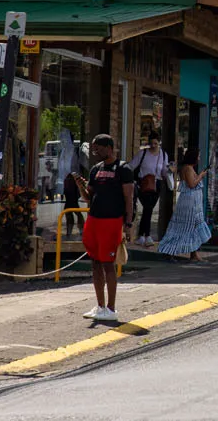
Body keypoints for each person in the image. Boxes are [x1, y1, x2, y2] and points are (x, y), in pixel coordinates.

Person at [78, 134, 135, 324]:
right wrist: (80, 185)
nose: (96, 152)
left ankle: (111, 308)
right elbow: (88, 197)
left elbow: (129, 199)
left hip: (112, 221)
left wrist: (128, 224)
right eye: (94, 149)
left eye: (99, 149)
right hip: (94, 219)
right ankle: (100, 306)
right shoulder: (95, 169)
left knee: (108, 264)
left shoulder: (123, 169)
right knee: (95, 262)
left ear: (109, 147)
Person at [155, 147, 212, 262]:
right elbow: (192, 184)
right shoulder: (188, 169)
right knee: (184, 227)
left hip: (194, 203)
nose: (199, 158)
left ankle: (194, 254)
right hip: (190, 204)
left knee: (193, 227)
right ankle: (169, 252)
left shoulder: (188, 168)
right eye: (198, 156)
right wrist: (201, 175)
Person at [127, 131, 172, 244]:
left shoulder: (163, 154)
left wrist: (170, 170)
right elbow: (131, 166)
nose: (153, 146)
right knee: (148, 207)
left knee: (149, 209)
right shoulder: (143, 153)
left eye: (155, 143)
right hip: (143, 183)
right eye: (151, 143)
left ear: (159, 143)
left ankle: (143, 235)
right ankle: (145, 235)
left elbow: (164, 172)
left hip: (157, 184)